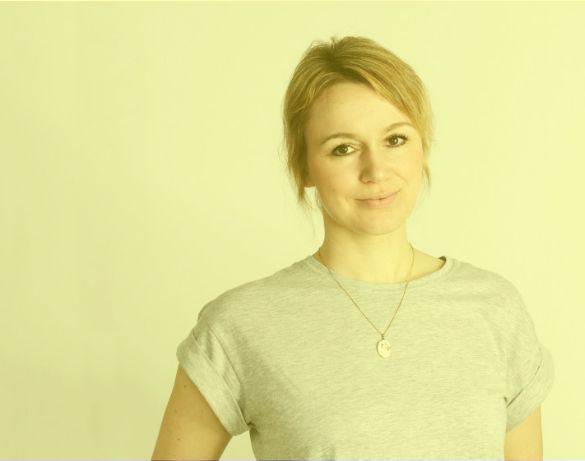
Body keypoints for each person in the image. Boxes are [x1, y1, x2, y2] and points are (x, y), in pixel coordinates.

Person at [152, 36, 554, 461]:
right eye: (343, 148)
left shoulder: (495, 309)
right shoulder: (239, 325)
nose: (376, 170)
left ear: (423, 145)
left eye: (395, 139)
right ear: (304, 165)